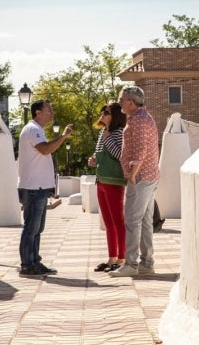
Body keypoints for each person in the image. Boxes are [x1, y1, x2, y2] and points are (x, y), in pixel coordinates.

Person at [17, 99, 73, 276]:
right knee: (31, 227)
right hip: (34, 187)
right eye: (49, 109)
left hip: (37, 187)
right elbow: (45, 150)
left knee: (37, 228)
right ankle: (27, 264)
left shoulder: (36, 129)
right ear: (37, 112)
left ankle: (34, 262)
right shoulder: (33, 129)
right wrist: (63, 137)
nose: (52, 112)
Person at [109, 86, 160, 277]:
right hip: (150, 176)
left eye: (121, 99)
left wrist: (132, 174)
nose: (119, 102)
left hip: (140, 177)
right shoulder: (146, 117)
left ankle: (131, 264)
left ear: (130, 101)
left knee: (132, 220)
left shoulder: (138, 121)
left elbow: (140, 151)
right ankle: (147, 263)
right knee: (145, 221)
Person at [87, 103, 127, 273]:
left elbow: (120, 155)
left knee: (118, 221)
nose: (102, 114)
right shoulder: (102, 133)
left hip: (114, 181)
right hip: (101, 180)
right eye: (102, 111)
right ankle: (111, 258)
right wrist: (93, 159)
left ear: (115, 115)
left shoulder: (119, 133)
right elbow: (100, 154)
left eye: (107, 112)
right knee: (108, 222)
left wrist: (109, 138)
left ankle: (122, 258)